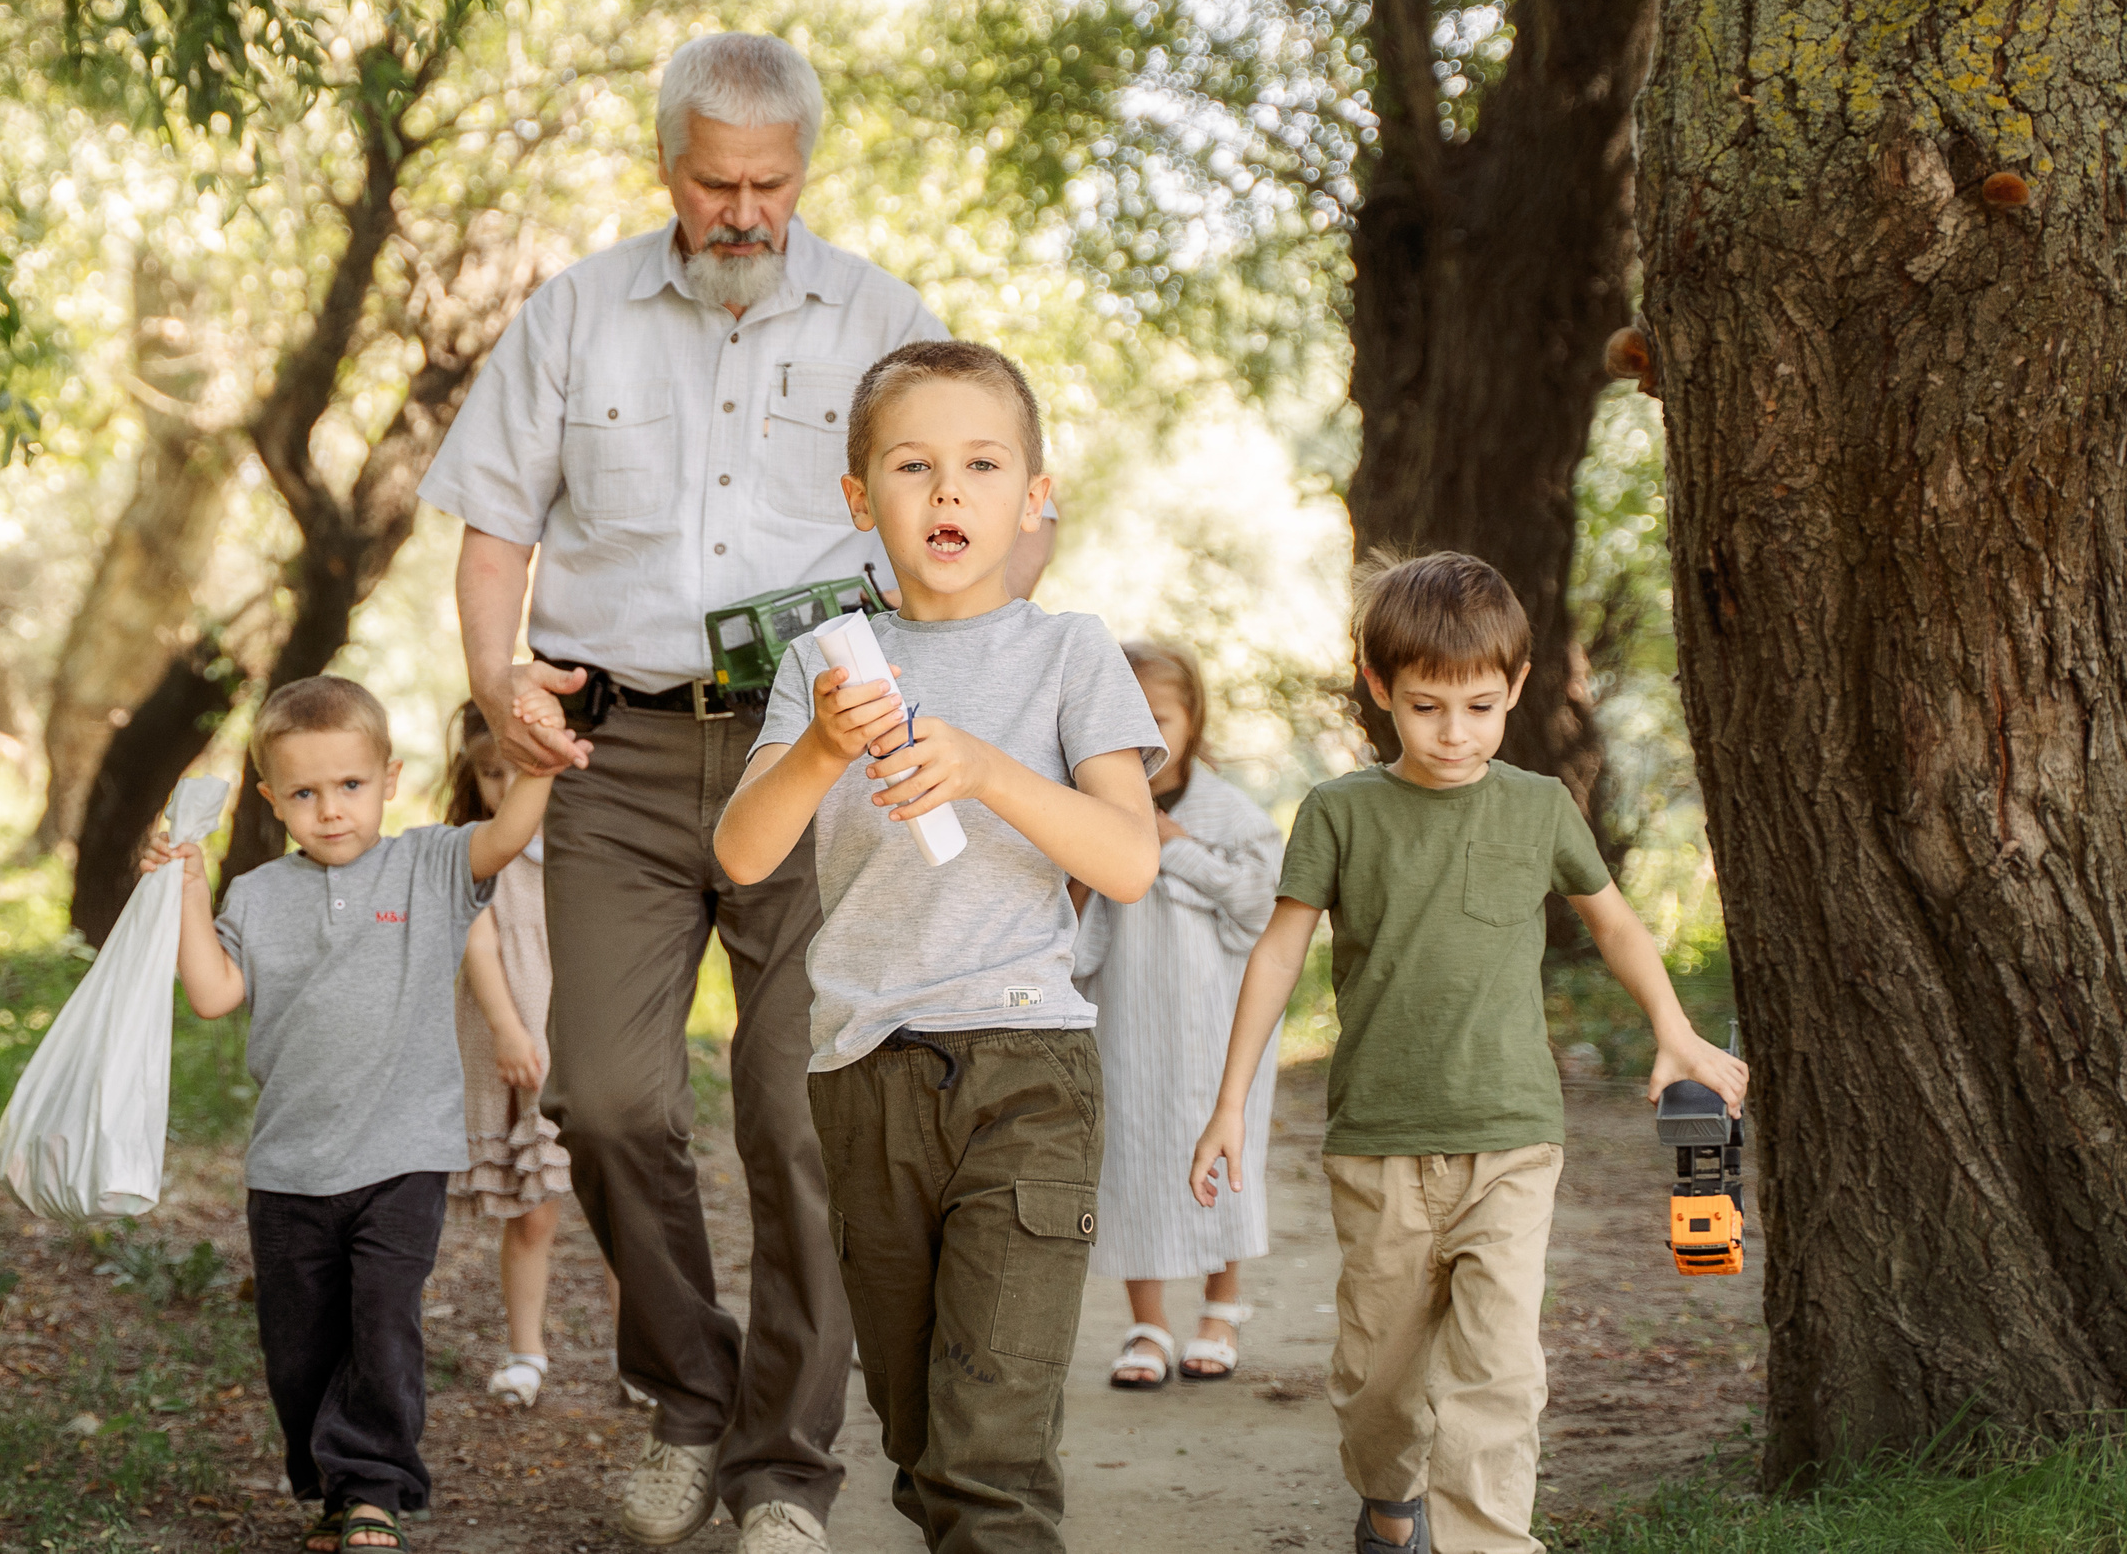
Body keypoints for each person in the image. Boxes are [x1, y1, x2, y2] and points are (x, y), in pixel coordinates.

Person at [420, 32, 1041, 1553]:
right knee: (607, 1092)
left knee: (801, 1111)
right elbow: (493, 528)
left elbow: (992, 513)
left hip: (811, 749)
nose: (744, 210)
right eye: (716, 182)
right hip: (611, 755)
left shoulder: (888, 320)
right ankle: (685, 1392)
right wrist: (501, 678)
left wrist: (952, 693)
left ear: (803, 174)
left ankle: (781, 1466)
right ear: (666, 167)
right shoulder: (574, 315)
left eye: (771, 183)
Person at [1188, 552, 1750, 1554]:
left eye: (1480, 706)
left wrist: (1673, 1028)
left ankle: (1489, 1540)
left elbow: (1615, 925)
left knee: (1497, 1374)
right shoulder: (1340, 813)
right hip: (1380, 1143)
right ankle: (1386, 1498)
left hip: (1511, 1139)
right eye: (1427, 706)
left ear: (1517, 689)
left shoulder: (1537, 807)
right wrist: (1231, 1101)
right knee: (1376, 1383)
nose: (1456, 733)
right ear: (1378, 692)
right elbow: (1277, 957)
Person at [715, 339, 1165, 1553]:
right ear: (861, 500)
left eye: (981, 464)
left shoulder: (1071, 651)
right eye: (914, 467)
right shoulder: (821, 665)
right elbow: (745, 852)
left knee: (990, 1450)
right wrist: (818, 748)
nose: (949, 491)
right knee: (919, 1439)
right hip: (863, 1076)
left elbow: (1127, 860)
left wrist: (982, 768)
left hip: (1026, 1071)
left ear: (1034, 496)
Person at [144, 675, 550, 1554]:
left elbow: (510, 833)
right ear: (272, 800)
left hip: (403, 1156)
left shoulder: (430, 864)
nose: (331, 810)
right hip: (289, 1166)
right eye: (305, 792)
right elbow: (214, 993)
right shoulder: (255, 894)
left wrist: (540, 762)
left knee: (381, 1319)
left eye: (351, 786)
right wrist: (184, 882)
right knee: (298, 1347)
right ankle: (331, 1485)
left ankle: (375, 1488)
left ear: (390, 777)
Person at [1072, 640, 1283, 1390]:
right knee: (1130, 1153)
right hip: (1128, 1011)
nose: (1145, 742)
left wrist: (1175, 846)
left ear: (1193, 720)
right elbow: (1069, 908)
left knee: (1224, 1152)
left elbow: (1263, 903)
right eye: (1126, 724)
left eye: (1159, 719)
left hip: (1220, 1016)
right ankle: (1148, 1322)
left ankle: (1221, 1308)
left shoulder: (1230, 813)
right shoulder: (1095, 802)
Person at [439, 702, 656, 1415]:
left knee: (616, 1205)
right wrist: (506, 1028)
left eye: (521, 770)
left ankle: (640, 1357)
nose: (505, 787)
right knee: (532, 1210)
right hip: (522, 1039)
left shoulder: (587, 843)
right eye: (492, 772)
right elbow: (480, 943)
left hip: (588, 1036)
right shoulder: (478, 849)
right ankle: (527, 1349)